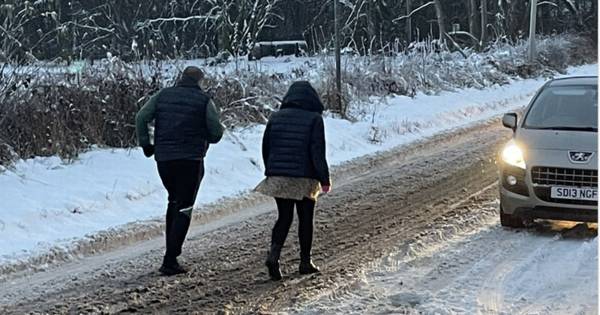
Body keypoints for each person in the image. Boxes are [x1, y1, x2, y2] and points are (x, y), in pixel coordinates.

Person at [135, 66, 224, 276]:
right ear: (199, 81)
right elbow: (216, 132)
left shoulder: (162, 95)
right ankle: (170, 258)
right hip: (191, 160)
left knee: (173, 201)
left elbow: (141, 117)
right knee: (185, 207)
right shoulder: (204, 100)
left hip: (164, 159)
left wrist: (147, 144)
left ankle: (170, 253)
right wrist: (205, 137)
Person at [255, 81, 331, 281]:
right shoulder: (314, 119)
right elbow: (317, 152)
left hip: (279, 176)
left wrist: (271, 169)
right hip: (304, 178)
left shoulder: (276, 117)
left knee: (284, 217)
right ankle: (305, 262)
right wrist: (324, 178)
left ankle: (274, 256)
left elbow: (266, 146)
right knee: (305, 219)